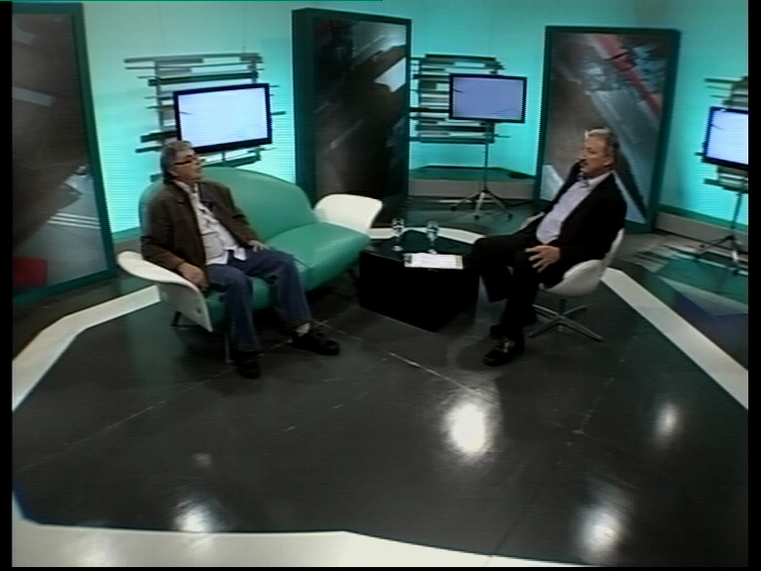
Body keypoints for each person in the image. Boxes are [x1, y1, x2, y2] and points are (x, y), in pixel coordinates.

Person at [141, 140, 340, 379]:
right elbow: (150, 247)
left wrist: (250, 238)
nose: (198, 163)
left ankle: (302, 331)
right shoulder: (162, 203)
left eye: (197, 157)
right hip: (207, 262)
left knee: (284, 262)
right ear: (174, 170)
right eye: (190, 160)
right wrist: (182, 266)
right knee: (237, 281)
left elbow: (237, 218)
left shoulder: (215, 189)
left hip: (237, 250)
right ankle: (244, 349)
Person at [464, 128, 627, 366]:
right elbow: (560, 205)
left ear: (608, 160)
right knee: (483, 247)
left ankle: (512, 336)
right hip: (535, 236)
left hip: (563, 252)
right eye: (583, 149)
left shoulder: (612, 200)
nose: (581, 156)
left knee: (524, 262)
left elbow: (599, 248)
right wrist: (540, 219)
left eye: (591, 152)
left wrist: (561, 252)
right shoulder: (577, 171)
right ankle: (522, 311)